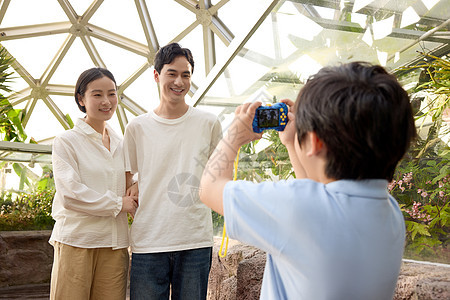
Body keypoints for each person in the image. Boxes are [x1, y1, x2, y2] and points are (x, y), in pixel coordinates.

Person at [199, 62, 417, 299]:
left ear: (315, 143)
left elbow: (209, 188)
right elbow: (315, 194)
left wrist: (234, 135)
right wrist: (293, 142)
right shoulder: (390, 212)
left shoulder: (300, 207)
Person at [123, 43, 222, 299]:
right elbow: (127, 179)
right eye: (172, 73)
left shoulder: (208, 123)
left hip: (195, 240)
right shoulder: (137, 127)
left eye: (186, 74)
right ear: (157, 76)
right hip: (149, 241)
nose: (179, 81)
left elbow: (219, 177)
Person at [49, 67, 138, 300]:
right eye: (97, 94)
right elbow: (70, 194)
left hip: (115, 244)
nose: (106, 101)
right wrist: (119, 203)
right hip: (77, 241)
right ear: (81, 99)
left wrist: (136, 186)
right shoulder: (66, 142)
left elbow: (133, 181)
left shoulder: (122, 143)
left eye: (112, 93)